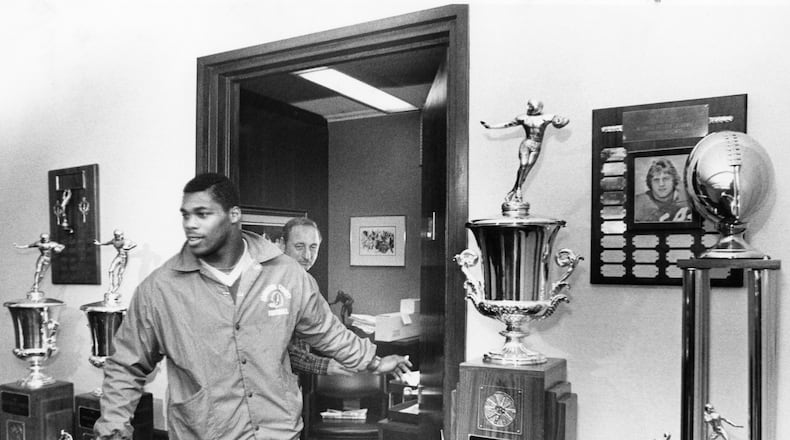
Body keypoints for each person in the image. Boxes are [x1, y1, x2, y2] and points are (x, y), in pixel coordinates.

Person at [94, 173, 411, 440]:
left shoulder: (288, 275)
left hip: (279, 431)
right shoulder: (159, 289)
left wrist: (371, 360)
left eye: (203, 214)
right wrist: (112, 430)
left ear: (233, 215)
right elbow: (125, 366)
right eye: (186, 215)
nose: (191, 224)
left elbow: (328, 333)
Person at [281, 217, 355, 377]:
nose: (307, 256)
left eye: (313, 247)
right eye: (299, 247)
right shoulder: (272, 286)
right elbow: (279, 350)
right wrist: (323, 365)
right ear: (282, 244)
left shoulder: (304, 283)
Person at [481, 99, 569, 203]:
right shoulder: (523, 118)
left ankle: (513, 191)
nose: (528, 108)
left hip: (536, 146)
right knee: (523, 165)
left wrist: (560, 122)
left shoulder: (546, 118)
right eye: (528, 106)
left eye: (530, 107)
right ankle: (518, 190)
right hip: (526, 144)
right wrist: (491, 126)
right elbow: (508, 124)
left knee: (526, 172)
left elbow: (563, 120)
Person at [633, 158, 691, 223]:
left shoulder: (688, 196)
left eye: (666, 179)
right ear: (650, 183)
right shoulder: (638, 203)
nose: (661, 184)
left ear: (674, 180)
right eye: (656, 180)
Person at [94, 229, 137, 294]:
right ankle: (111, 286)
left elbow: (134, 244)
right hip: (119, 256)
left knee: (119, 274)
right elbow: (107, 243)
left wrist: (129, 248)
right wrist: (99, 243)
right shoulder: (113, 241)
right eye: (115, 235)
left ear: (121, 235)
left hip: (124, 257)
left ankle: (116, 288)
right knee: (110, 270)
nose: (117, 237)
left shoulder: (126, 241)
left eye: (118, 235)